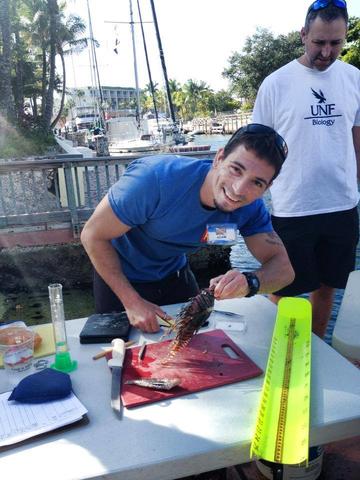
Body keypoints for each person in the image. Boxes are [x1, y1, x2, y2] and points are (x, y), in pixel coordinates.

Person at [81, 123, 294, 333]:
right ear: (219, 158)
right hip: (120, 276)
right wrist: (131, 301)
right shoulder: (154, 180)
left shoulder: (251, 208)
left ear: (268, 187)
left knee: (193, 344)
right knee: (119, 354)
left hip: (175, 274)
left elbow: (284, 270)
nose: (239, 190)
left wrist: (250, 282)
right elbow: (92, 236)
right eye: (236, 169)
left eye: (257, 183)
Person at [252, 0, 360, 337]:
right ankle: (277, 349)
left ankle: (315, 350)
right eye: (319, 42)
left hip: (342, 205)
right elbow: (257, 145)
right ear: (303, 35)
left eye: (336, 43)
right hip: (292, 207)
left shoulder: (355, 78)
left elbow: (356, 137)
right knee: (282, 289)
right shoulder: (276, 83)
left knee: (328, 286)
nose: (327, 52)